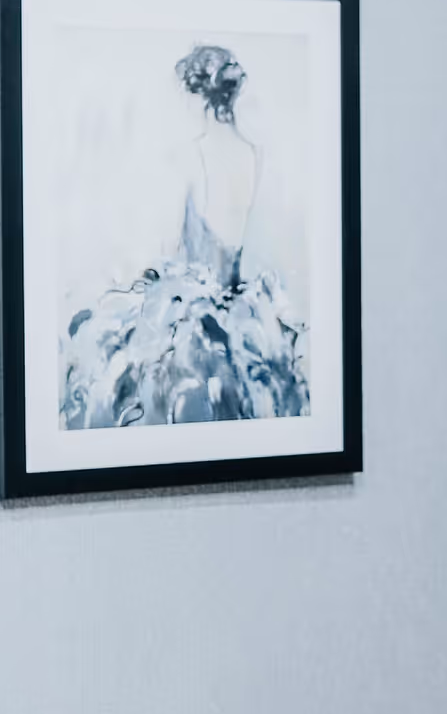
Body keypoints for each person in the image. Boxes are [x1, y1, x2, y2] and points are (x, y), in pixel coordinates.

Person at [60, 41, 309, 429]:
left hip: (194, 307)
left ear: (199, 97)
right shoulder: (253, 153)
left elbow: (177, 244)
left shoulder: (193, 155)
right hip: (240, 303)